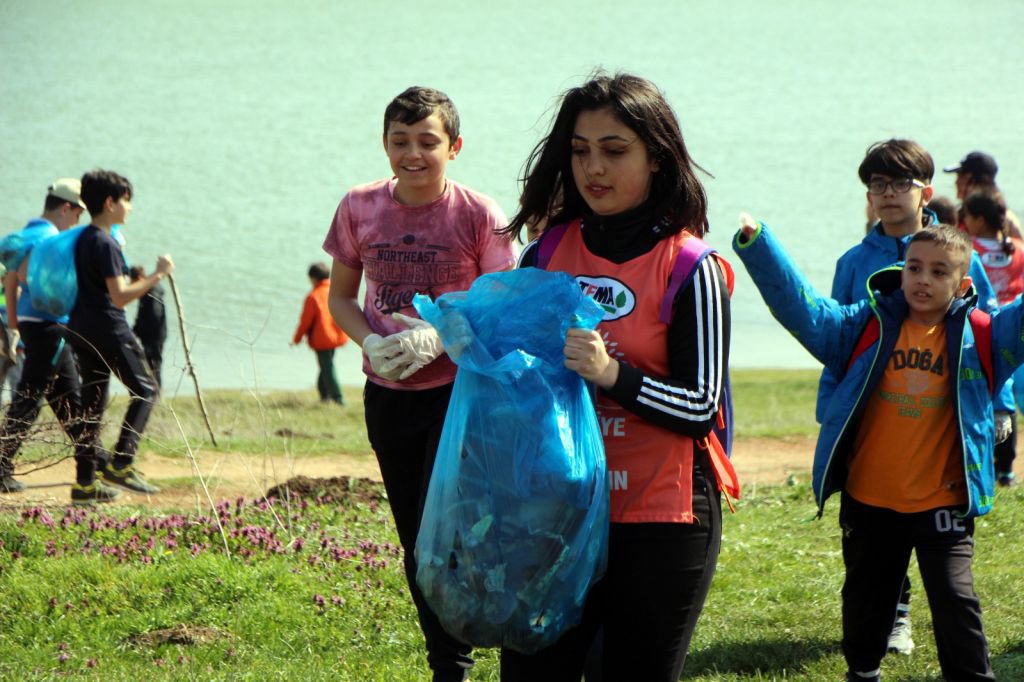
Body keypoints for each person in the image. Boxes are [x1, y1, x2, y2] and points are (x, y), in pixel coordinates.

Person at [498, 72, 736, 682]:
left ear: (656, 158)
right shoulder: (546, 255)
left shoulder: (692, 267)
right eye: (580, 151)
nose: (592, 168)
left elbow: (701, 408)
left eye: (614, 150)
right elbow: (520, 386)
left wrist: (612, 374)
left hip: (661, 520)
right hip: (559, 510)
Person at [736, 221, 1003, 681]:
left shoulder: (981, 336)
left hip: (944, 502)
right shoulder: (865, 323)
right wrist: (760, 246)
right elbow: (806, 312)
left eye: (939, 272)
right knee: (865, 602)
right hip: (869, 499)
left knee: (956, 601)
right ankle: (863, 673)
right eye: (914, 268)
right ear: (900, 273)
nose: (923, 279)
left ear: (962, 285)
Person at [322, 86, 516, 681]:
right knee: (418, 538)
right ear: (385, 144)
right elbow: (341, 299)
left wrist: (443, 335)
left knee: (467, 527)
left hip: (463, 395)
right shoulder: (358, 207)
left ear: (454, 147)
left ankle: (506, 636)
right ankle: (448, 663)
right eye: (400, 141)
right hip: (390, 394)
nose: (413, 153)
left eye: (428, 141)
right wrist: (370, 342)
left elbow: (502, 302)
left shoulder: (480, 215)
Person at [822, 139, 1006, 656]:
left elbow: (990, 340)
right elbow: (835, 341)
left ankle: (900, 617)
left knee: (924, 508)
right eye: (876, 185)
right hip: (870, 413)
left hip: (939, 414)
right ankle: (885, 614)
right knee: (873, 521)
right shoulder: (854, 262)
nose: (886, 194)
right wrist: (830, 407)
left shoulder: (954, 254)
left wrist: (1002, 404)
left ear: (924, 192)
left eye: (897, 183)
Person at [65, 170, 173, 504]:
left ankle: (85, 485)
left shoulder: (83, 238)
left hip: (81, 328)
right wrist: (158, 274)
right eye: (126, 201)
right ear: (110, 203)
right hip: (109, 328)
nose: (130, 208)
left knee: (91, 406)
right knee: (146, 390)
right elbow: (120, 296)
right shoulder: (106, 241)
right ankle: (122, 464)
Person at [0, 179, 87, 494]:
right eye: (78, 214)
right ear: (66, 208)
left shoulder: (29, 233)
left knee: (67, 398)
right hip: (49, 325)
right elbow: (25, 276)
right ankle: (1, 467)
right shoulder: (51, 240)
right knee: (30, 397)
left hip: (30, 323)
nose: (78, 222)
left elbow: (12, 281)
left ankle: (93, 463)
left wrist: (14, 325)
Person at [963, 190, 1022, 486]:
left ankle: (988, 465)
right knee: (1008, 400)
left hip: (987, 328)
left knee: (989, 392)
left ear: (978, 220)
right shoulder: (1018, 249)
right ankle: (1008, 472)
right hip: (1016, 328)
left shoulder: (968, 251)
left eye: (967, 217)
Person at [291, 261, 348, 405]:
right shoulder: (337, 291)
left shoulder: (313, 296)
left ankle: (338, 398)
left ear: (313, 278)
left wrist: (296, 339)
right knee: (326, 367)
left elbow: (305, 322)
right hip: (336, 336)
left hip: (322, 339)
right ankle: (324, 396)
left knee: (327, 367)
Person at [944, 151, 1023, 238]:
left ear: (984, 181)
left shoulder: (1007, 220)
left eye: (963, 177)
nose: (956, 182)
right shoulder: (957, 214)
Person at [129, 265, 168, 390]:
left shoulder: (151, 292)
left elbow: (153, 316)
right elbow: (142, 314)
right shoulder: (147, 291)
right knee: (150, 363)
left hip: (154, 336)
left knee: (154, 363)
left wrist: (140, 331)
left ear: (139, 278)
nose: (132, 285)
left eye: (133, 281)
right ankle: (153, 389)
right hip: (152, 334)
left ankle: (156, 391)